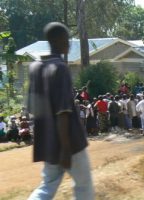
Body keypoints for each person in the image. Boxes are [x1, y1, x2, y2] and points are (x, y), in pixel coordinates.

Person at [27, 22, 94, 199]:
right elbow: (63, 111)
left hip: (47, 140)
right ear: (58, 41)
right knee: (84, 186)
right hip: (71, 142)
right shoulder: (60, 68)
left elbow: (34, 109)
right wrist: (65, 148)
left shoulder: (34, 68)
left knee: (47, 185)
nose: (69, 43)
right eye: (67, 39)